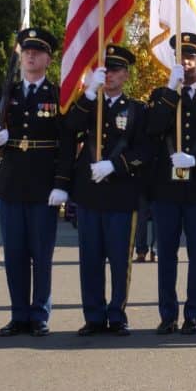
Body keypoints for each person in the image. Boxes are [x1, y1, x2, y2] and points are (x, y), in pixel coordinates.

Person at [0, 26, 72, 338]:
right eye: (26, 51)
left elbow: (66, 143)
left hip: (43, 185)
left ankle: (39, 313)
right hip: (11, 184)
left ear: (48, 59)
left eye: (37, 52)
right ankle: (18, 313)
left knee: (41, 254)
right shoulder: (7, 93)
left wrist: (62, 183)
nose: (31, 56)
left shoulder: (58, 94)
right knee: (15, 255)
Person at [64, 44, 149, 337]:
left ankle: (117, 314)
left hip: (121, 194)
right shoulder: (89, 104)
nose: (109, 75)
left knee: (119, 259)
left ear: (126, 75)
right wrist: (88, 93)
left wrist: (116, 166)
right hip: (89, 193)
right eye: (105, 69)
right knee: (90, 259)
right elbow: (69, 127)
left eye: (115, 70)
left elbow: (144, 150)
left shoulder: (137, 110)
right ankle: (94, 316)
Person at [145, 33, 196, 336]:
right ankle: (168, 314)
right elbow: (152, 129)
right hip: (166, 189)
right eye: (181, 56)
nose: (186, 61)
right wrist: (170, 89)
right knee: (166, 253)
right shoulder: (159, 95)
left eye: (191, 56)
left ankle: (193, 314)